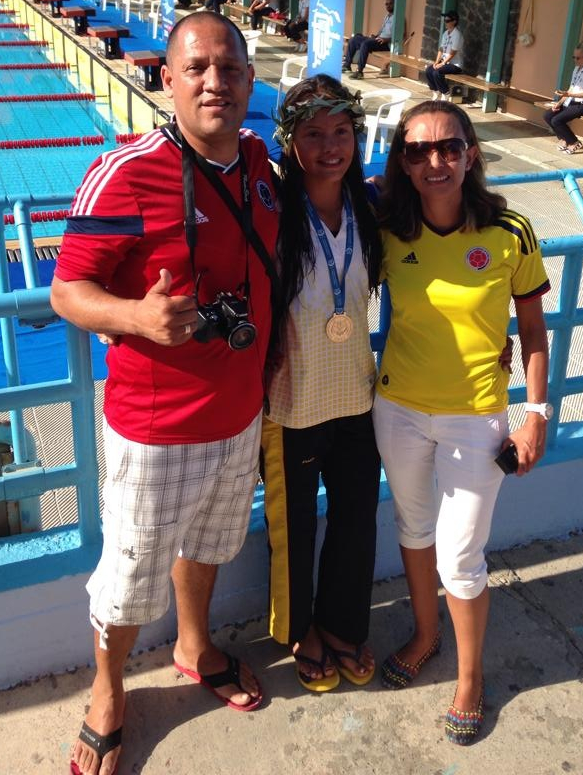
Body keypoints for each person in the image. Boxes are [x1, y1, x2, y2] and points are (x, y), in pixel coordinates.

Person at [50, 13, 279, 775]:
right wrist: (135, 317)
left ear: (249, 80)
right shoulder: (126, 171)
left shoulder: (259, 163)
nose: (215, 82)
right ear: (168, 79)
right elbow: (67, 290)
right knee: (128, 574)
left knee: (210, 543)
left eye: (229, 68)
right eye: (197, 69)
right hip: (155, 428)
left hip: (239, 413)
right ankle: (107, 690)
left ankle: (194, 643)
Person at [373, 100, 550, 745]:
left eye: (448, 146)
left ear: (471, 153)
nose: (435, 161)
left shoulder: (510, 231)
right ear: (403, 162)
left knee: (461, 556)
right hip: (397, 410)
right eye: (417, 150)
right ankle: (426, 635)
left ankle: (470, 679)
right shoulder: (388, 226)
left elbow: (533, 331)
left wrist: (536, 414)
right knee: (414, 529)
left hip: (476, 418)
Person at [262, 75, 383, 691]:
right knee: (296, 528)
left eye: (341, 132)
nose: (330, 147)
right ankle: (298, 630)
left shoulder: (371, 208)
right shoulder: (273, 214)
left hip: (357, 395)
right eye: (313, 134)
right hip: (292, 401)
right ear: (290, 142)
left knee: (357, 517)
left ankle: (341, 624)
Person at [543, 37, 583, 154]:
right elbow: (570, 89)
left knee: (557, 120)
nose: (575, 60)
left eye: (578, 58)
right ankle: (564, 139)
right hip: (572, 102)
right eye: (574, 57)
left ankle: (574, 142)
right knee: (548, 115)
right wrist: (559, 103)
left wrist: (568, 94)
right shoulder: (576, 69)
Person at [343, 0, 394, 80]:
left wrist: (386, 40)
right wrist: (375, 36)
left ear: (394, 4)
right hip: (378, 40)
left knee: (365, 44)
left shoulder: (399, 19)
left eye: (390, 4)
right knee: (354, 39)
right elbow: (382, 31)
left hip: (386, 44)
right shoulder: (387, 17)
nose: (388, 6)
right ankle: (347, 65)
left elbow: (402, 36)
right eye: (386, 4)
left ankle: (359, 71)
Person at [424, 10, 464, 101]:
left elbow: (453, 52)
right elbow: (441, 49)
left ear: (454, 21)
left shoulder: (457, 35)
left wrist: (442, 63)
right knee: (429, 70)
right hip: (445, 62)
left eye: (447, 20)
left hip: (455, 65)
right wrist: (436, 62)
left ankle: (445, 92)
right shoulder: (445, 33)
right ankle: (436, 90)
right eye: (445, 20)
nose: (445, 22)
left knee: (437, 72)